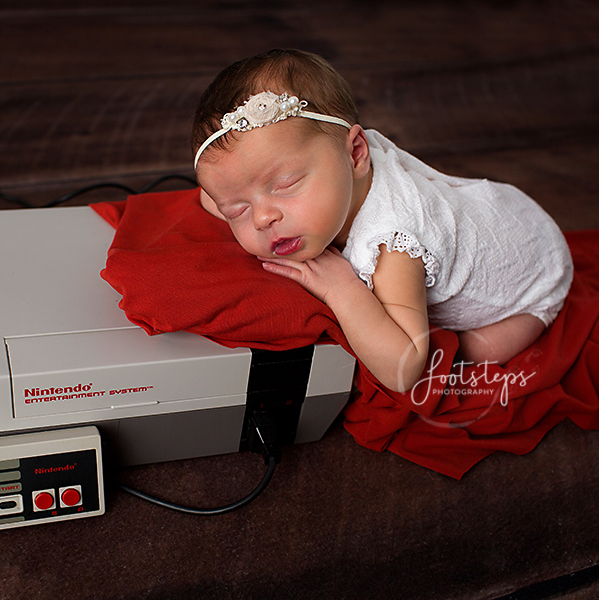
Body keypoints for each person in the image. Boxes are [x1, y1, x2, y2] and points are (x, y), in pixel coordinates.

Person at [192, 49, 573, 393]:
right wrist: (230, 197)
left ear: (357, 153)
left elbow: (404, 370)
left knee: (472, 350)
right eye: (237, 210)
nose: (261, 217)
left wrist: (342, 289)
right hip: (502, 207)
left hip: (534, 274)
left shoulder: (392, 241)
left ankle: (535, 315)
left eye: (286, 184)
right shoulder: (333, 164)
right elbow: (222, 190)